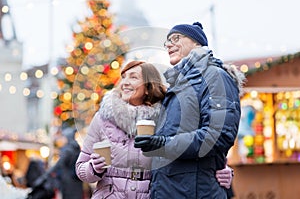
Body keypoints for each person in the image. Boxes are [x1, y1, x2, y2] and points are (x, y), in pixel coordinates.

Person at [75, 60, 233, 199]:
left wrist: (222, 170)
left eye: (134, 77)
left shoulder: (167, 119)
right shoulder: (102, 118)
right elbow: (80, 168)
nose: (125, 82)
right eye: (124, 77)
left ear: (148, 88)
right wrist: (93, 168)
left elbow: (187, 149)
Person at [134, 22, 245, 198]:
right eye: (167, 41)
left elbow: (218, 135)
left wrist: (164, 144)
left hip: (196, 192)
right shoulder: (177, 86)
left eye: (175, 38)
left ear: (196, 43)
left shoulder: (214, 76)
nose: (169, 44)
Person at [30, 127, 83, 199]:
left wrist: (44, 177)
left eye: (63, 137)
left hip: (69, 183)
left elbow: (58, 165)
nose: (62, 139)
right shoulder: (76, 148)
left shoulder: (68, 149)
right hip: (76, 182)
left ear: (68, 137)